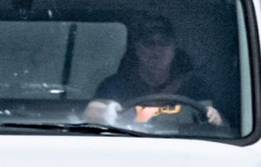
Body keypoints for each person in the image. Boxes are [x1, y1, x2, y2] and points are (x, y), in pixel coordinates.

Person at [85, 14, 225, 128]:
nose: (156, 50)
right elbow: (93, 114)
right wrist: (101, 113)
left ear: (173, 49)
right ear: (137, 49)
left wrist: (214, 116)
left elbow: (212, 119)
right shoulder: (114, 85)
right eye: (149, 43)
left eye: (164, 43)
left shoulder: (195, 86)